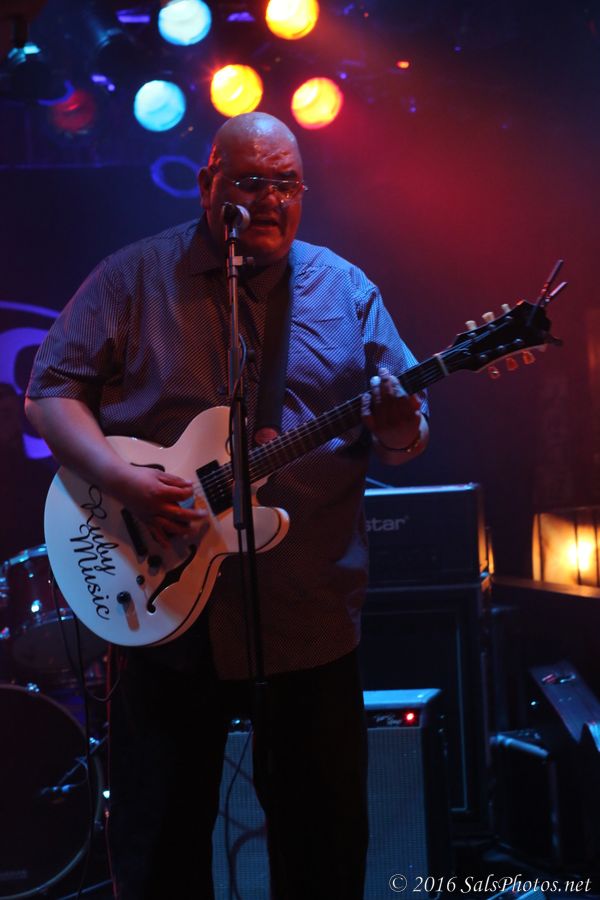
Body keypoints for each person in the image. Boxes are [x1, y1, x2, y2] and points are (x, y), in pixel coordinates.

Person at [25, 112, 429, 900]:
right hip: (163, 615)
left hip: (306, 612)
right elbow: (49, 393)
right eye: (250, 182)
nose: (270, 200)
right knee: (159, 849)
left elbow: (405, 436)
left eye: (287, 184)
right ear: (209, 184)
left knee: (324, 848)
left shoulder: (345, 289)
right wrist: (122, 480)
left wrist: (398, 423)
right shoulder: (136, 277)